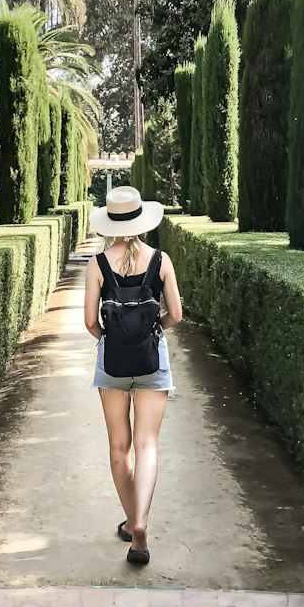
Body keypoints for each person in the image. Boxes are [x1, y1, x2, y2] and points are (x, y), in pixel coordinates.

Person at [84, 185, 183, 566]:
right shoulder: (162, 260)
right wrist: (150, 330)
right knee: (147, 447)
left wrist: (113, 337)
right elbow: (175, 314)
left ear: (110, 222)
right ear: (141, 220)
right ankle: (140, 524)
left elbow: (91, 322)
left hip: (112, 364)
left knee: (118, 449)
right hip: (151, 360)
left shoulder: (98, 264)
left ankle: (130, 520)